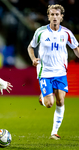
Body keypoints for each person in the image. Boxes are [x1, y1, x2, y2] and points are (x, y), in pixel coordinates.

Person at [27, 4, 79, 140]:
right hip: (45, 72)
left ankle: (54, 132)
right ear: (48, 16)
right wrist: (33, 58)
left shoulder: (66, 33)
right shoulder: (40, 32)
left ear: (61, 17)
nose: (55, 17)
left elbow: (76, 48)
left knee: (60, 101)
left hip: (61, 72)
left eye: (57, 15)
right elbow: (30, 47)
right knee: (49, 104)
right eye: (52, 14)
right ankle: (42, 97)